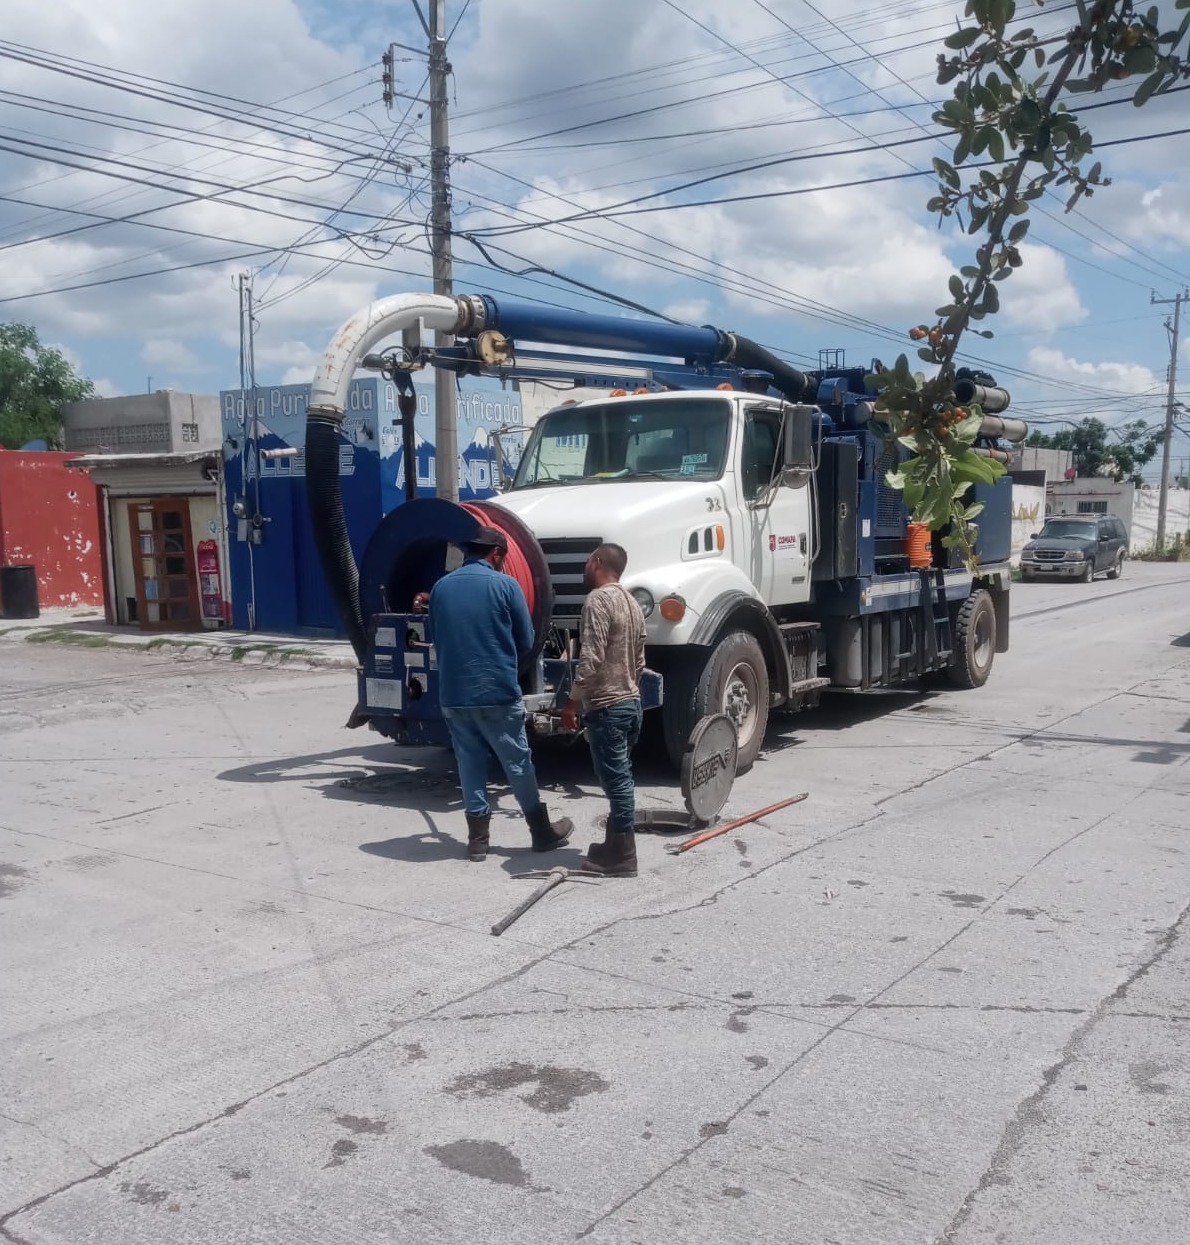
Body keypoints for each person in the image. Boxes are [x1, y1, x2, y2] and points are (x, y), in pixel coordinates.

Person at [429, 526, 573, 862]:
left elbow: (438, 636)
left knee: (469, 763)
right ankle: (541, 832)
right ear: (496, 554)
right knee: (517, 762)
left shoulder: (440, 587)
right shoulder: (506, 586)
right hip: (497, 691)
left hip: (454, 694)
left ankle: (478, 841)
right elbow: (527, 640)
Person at [559, 543, 646, 878]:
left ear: (597, 562)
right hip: (631, 703)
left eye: (586, 561)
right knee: (620, 776)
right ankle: (614, 844)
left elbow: (591, 656)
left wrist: (572, 701)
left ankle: (623, 855)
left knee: (617, 781)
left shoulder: (598, 600)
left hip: (608, 707)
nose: (584, 566)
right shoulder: (633, 603)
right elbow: (639, 661)